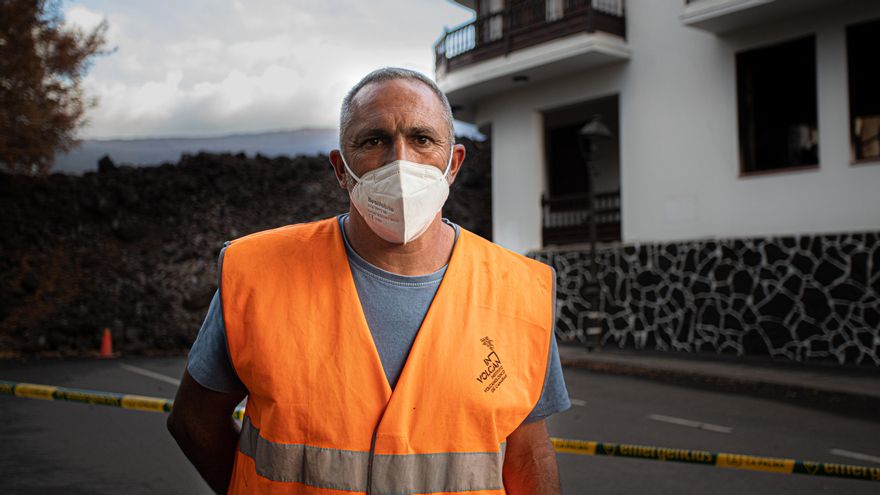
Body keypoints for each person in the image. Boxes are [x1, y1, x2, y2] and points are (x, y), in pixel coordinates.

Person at [167, 67, 571, 494]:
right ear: (341, 169)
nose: (400, 161)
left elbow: (530, 453)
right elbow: (193, 421)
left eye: (422, 139)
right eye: (374, 140)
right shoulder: (255, 274)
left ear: (453, 164)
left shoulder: (521, 291)